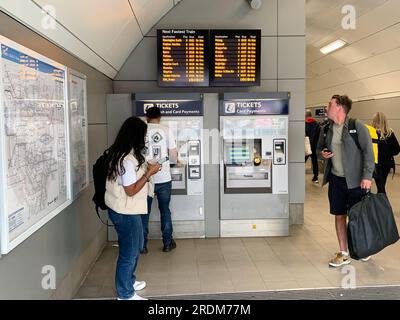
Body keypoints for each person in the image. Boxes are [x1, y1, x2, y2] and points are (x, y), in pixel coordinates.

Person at [104, 116, 160, 300]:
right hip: (125, 211)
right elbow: (130, 190)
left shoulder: (122, 153)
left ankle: (129, 281)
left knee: (134, 247)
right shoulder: (127, 160)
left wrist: (147, 167)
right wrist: (149, 174)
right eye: (143, 135)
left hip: (126, 209)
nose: (144, 139)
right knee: (129, 253)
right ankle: (125, 294)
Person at [317, 95, 375, 267]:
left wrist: (367, 176)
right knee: (339, 215)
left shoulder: (357, 127)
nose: (326, 107)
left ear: (340, 107)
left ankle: (363, 248)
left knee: (358, 217)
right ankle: (344, 253)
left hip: (357, 181)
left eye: (330, 104)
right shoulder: (326, 128)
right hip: (336, 180)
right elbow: (319, 147)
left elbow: (368, 153)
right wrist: (323, 153)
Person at [141, 106, 179, 253]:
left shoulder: (141, 129)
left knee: (144, 212)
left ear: (147, 117)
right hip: (163, 178)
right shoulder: (166, 130)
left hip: (145, 179)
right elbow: (173, 154)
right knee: (165, 210)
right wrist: (171, 162)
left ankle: (143, 245)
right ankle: (168, 243)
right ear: (160, 117)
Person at [372, 112, 400, 194]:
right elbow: (396, 150)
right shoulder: (390, 133)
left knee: (381, 188)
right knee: (381, 186)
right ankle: (381, 204)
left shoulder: (371, 133)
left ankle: (383, 205)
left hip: (376, 165)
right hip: (387, 165)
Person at [305, 109, 321, 183]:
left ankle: (298, 175)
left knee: (301, 162)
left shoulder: (304, 124)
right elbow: (319, 136)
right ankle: (315, 177)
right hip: (314, 146)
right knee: (314, 162)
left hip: (306, 147)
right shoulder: (317, 124)